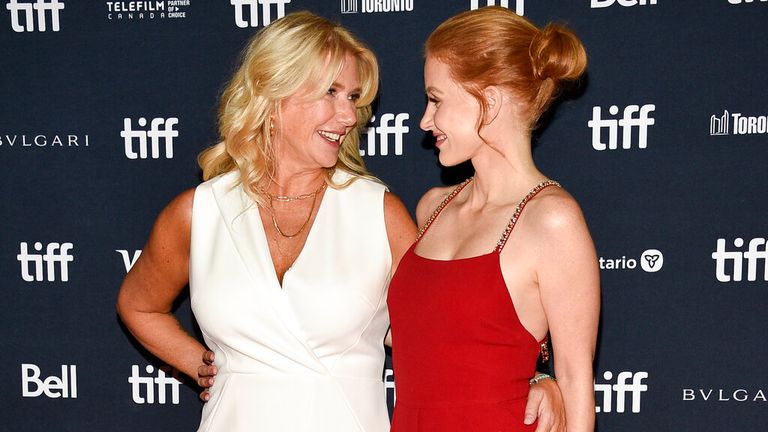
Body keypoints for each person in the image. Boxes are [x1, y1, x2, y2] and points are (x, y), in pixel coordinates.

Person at [117, 10, 564, 432]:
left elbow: (448, 325)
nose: (349, 115)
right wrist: (201, 363)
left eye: (352, 97)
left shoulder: (376, 212)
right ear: (273, 94)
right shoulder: (200, 211)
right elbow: (138, 305)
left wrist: (532, 376)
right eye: (330, 92)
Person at [387, 6, 600, 432]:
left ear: (489, 100)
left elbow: (577, 385)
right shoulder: (432, 208)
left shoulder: (552, 221)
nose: (425, 120)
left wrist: (545, 381)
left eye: (435, 99)